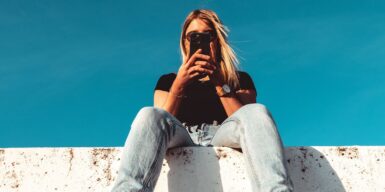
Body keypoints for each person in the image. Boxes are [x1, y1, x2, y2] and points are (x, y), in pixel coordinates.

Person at [110, 9, 294, 192]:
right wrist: (179, 84)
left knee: (256, 110)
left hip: (222, 134)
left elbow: (249, 121)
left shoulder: (239, 79)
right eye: (193, 36)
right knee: (148, 113)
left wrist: (221, 84)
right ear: (184, 42)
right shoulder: (168, 80)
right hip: (182, 135)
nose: (200, 41)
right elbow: (160, 122)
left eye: (208, 35)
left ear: (218, 41)